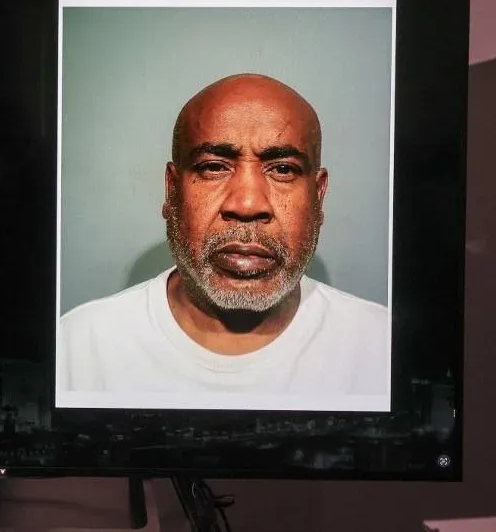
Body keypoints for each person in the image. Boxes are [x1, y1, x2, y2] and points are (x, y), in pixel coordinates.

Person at [57, 73, 390, 401]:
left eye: (283, 169)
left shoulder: (380, 346)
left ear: (318, 196)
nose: (247, 205)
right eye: (214, 167)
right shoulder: (80, 347)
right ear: (172, 190)